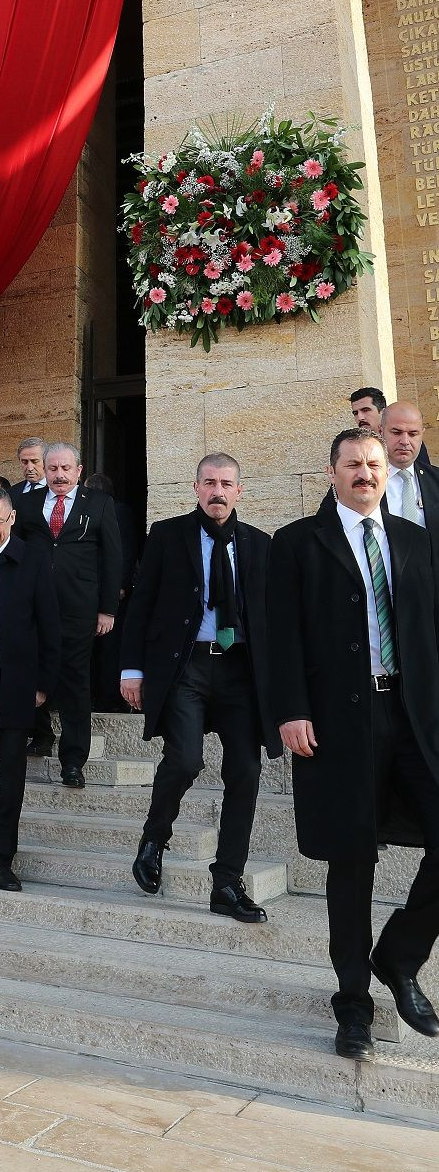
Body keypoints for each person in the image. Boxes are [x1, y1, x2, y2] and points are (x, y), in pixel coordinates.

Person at [270, 428, 439, 1061]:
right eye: (354, 465)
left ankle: (397, 957)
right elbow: (278, 633)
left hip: (413, 716)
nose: (366, 474)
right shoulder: (296, 544)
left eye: (374, 465)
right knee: (352, 864)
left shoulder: (415, 541)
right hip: (339, 723)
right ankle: (353, 1006)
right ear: (332, 471)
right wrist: (289, 710)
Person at [120, 454, 280, 921]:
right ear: (195, 488)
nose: (217, 491)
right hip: (186, 666)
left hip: (240, 673)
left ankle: (227, 883)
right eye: (209, 482)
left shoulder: (259, 544)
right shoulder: (168, 535)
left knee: (245, 773)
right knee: (186, 759)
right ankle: (154, 838)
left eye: (226, 483)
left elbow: (274, 620)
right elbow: (142, 603)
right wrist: (132, 670)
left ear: (239, 491)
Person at [16, 442, 122, 787]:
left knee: (75, 680)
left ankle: (73, 761)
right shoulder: (27, 503)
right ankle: (41, 733)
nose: (59, 475)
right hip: (33, 606)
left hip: (80, 608)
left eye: (65, 469)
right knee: (31, 672)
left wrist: (107, 608)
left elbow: (112, 558)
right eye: (52, 469)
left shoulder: (100, 503)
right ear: (43, 471)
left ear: (79, 471)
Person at [0, 486, 59, 892]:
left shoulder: (35, 560)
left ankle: (0, 858)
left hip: (16, 687)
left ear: (11, 520)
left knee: (10, 782)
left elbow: (50, 626)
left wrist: (42, 685)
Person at [85, 473, 138, 712]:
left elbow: (125, 550)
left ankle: (110, 699)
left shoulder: (119, 511)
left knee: (110, 648)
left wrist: (121, 585)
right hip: (90, 592)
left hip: (113, 594)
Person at [381, 402, 439, 530]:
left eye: (413, 434)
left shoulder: (436, 479)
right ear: (381, 431)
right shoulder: (362, 480)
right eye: (396, 432)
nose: (405, 441)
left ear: (422, 434)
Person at [10, 436, 47, 504]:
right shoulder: (12, 492)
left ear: (45, 461)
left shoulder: (56, 489)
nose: (30, 468)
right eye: (24, 462)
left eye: (34, 461)